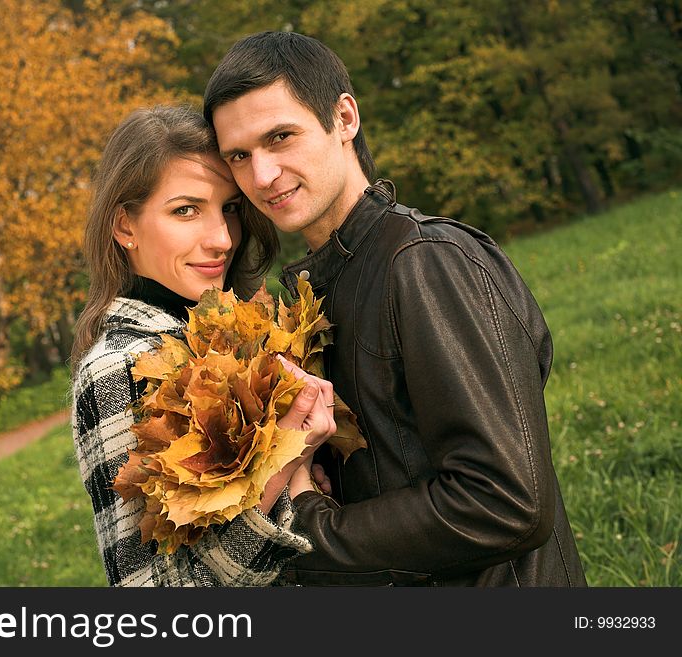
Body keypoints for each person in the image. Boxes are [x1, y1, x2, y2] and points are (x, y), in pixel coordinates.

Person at [203, 31, 587, 586]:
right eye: (239, 155)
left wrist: (309, 529)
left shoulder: (426, 264)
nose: (261, 176)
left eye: (281, 137)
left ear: (344, 118)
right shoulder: (319, 289)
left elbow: (507, 502)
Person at [70, 105, 336, 587]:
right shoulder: (117, 368)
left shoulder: (235, 337)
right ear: (125, 226)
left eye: (230, 208)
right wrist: (288, 460)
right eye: (185, 210)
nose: (221, 239)